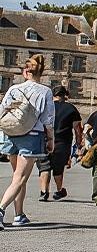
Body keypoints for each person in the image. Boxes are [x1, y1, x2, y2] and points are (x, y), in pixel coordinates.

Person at [0, 55, 56, 229]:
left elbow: (2, 110)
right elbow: (48, 119)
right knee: (20, 178)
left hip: (11, 134)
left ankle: (19, 214)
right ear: (41, 72)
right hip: (31, 136)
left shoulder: (13, 89)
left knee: (18, 177)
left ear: (26, 71)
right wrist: (51, 140)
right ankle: (1, 210)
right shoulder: (45, 91)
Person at [40, 86, 82, 202]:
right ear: (65, 95)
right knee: (58, 168)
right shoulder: (71, 109)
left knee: (44, 166)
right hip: (62, 142)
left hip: (45, 140)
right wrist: (78, 144)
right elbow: (78, 129)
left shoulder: (46, 107)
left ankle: (44, 192)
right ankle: (59, 190)